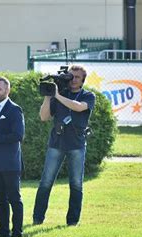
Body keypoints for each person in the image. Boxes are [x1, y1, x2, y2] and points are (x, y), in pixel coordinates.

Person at [32, 65, 95, 226]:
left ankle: (72, 221)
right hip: (56, 143)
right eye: (70, 76)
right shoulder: (59, 94)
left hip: (76, 144)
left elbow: (78, 107)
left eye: (77, 77)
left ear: (82, 81)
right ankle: (37, 218)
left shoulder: (88, 96)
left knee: (76, 183)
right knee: (46, 181)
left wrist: (57, 96)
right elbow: (44, 117)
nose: (73, 80)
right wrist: (48, 95)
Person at [0, 76, 25, 237]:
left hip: (10, 163)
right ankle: (3, 231)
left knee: (14, 199)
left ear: (7, 90)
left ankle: (17, 232)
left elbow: (18, 135)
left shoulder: (14, 110)